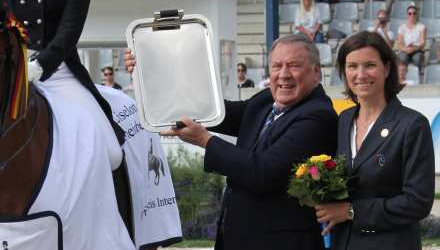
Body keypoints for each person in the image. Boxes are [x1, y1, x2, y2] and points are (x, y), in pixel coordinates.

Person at [0, 0, 135, 248]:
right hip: (8, 70)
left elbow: (70, 29)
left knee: (111, 148)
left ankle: (117, 228)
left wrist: (42, 63)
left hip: (59, 68)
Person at [125, 34, 338, 249]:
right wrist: (150, 74)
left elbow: (264, 172)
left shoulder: (318, 115)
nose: (283, 75)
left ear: (316, 71)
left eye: (294, 66)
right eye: (276, 66)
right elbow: (213, 111)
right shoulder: (267, 100)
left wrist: (204, 140)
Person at [315, 31, 434, 250]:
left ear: (387, 69)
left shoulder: (412, 125)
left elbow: (418, 202)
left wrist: (352, 211)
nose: (360, 74)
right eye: (352, 66)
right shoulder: (344, 120)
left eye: (369, 65)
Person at [395, 5, 426, 70]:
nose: (412, 15)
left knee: (417, 58)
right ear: (407, 15)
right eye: (410, 13)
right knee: (402, 58)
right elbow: (399, 44)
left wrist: (413, 49)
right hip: (405, 50)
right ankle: (403, 77)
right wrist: (406, 49)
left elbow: (422, 43)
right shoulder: (402, 28)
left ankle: (417, 76)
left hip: (417, 50)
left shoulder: (422, 27)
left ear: (416, 15)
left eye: (414, 13)